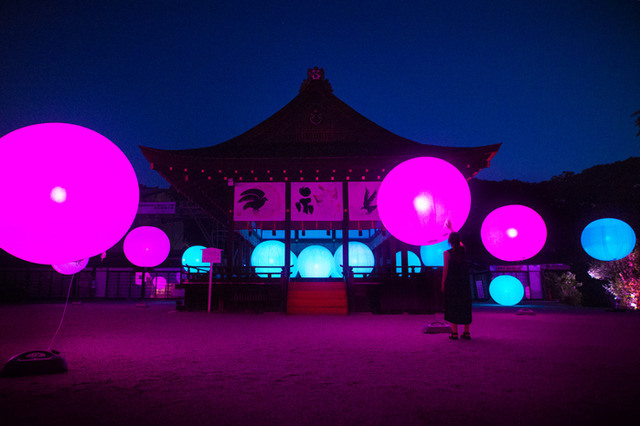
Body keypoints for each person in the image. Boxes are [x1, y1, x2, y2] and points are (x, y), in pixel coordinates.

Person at [441, 231, 471, 340]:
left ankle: (454, 333)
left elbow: (446, 269)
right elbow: (461, 244)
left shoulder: (447, 253)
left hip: (452, 282)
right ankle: (466, 332)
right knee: (465, 305)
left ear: (449, 241)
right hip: (464, 282)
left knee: (453, 305)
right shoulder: (463, 250)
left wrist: (443, 283)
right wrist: (451, 229)